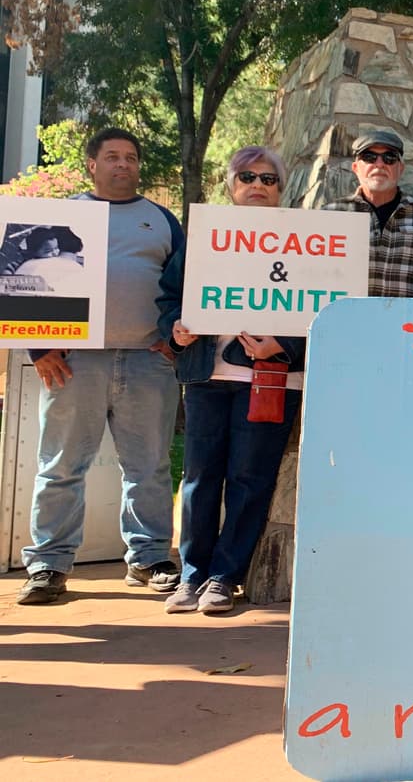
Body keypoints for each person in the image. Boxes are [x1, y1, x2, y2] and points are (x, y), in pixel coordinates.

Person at [17, 127, 183, 605]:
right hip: (74, 362)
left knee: (150, 467)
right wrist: (39, 349)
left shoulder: (161, 220)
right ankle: (48, 564)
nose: (123, 164)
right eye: (112, 156)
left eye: (130, 157)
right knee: (61, 467)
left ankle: (149, 557)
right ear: (92, 164)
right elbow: (25, 280)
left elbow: (184, 284)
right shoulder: (61, 215)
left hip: (147, 361)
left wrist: (174, 339)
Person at [156, 146, 305, 614]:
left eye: (268, 179)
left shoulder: (306, 242)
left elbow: (321, 306)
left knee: (249, 479)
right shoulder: (202, 238)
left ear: (281, 189)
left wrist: (283, 345)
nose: (257, 185)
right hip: (206, 374)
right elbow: (169, 297)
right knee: (199, 477)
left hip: (269, 378)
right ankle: (192, 574)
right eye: (247, 177)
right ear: (231, 185)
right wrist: (176, 329)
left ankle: (224, 577)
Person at [323, 130, 413, 297]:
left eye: (389, 157)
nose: (379, 164)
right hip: (345, 314)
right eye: (369, 157)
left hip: (407, 315)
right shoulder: (329, 217)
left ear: (400, 168)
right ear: (355, 168)